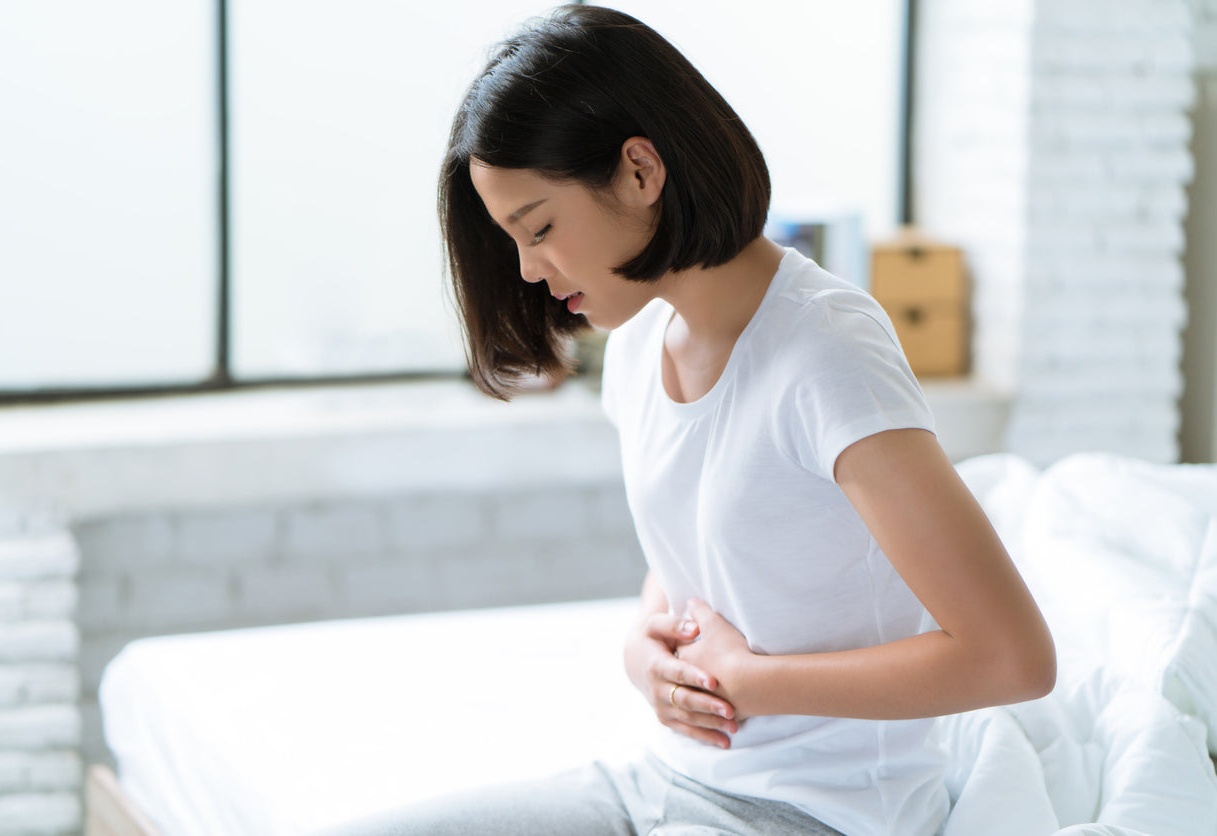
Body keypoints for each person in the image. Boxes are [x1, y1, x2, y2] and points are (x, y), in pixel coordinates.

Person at [342, 5, 1056, 835]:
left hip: (818, 812)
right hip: (660, 783)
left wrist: (749, 682)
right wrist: (644, 655)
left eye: (537, 229)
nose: (530, 271)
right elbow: (694, 563)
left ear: (640, 170)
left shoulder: (825, 350)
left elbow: (1010, 657)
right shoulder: (640, 346)